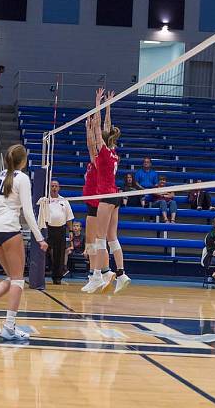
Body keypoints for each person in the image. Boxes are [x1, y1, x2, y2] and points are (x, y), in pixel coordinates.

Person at [0, 144, 47, 341]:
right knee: (19, 280)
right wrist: (40, 238)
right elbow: (28, 213)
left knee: (13, 277)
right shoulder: (22, 178)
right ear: (23, 161)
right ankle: (9, 327)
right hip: (8, 229)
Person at [84, 89, 130, 294]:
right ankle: (121, 274)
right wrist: (107, 105)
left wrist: (98, 105)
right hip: (117, 196)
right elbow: (106, 128)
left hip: (106, 196)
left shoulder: (102, 154)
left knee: (100, 239)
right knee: (113, 238)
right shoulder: (114, 153)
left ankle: (96, 276)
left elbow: (97, 133)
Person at [41, 180, 75, 285]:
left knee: (59, 254)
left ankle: (57, 278)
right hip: (48, 229)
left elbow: (69, 217)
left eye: (56, 186)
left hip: (61, 230)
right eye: (52, 186)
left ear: (59, 188)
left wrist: (70, 230)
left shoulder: (64, 201)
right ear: (49, 188)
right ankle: (42, 273)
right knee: (45, 252)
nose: (54, 188)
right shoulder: (45, 200)